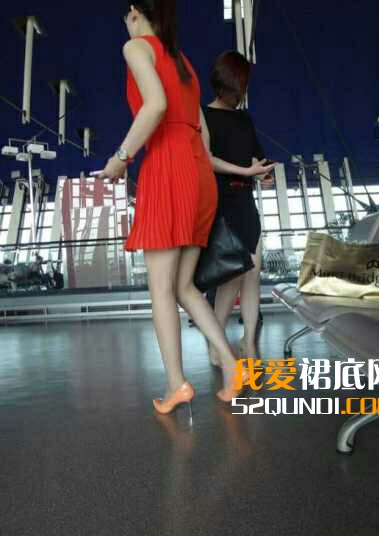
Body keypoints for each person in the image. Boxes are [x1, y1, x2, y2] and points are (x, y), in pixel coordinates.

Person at [99, 1, 253, 415]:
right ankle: (232, 366)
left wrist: (120, 158)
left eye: (126, 19)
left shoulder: (136, 48)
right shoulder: (181, 61)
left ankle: (176, 384)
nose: (126, 26)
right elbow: (202, 134)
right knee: (184, 287)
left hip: (167, 167)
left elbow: (155, 106)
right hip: (198, 173)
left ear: (134, 13)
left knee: (161, 289)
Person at [203, 51, 275, 367]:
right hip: (221, 202)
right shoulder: (204, 115)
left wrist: (264, 175)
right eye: (240, 86)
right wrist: (246, 171)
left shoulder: (245, 118)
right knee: (230, 277)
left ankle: (248, 342)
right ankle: (216, 344)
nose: (242, 93)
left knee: (253, 274)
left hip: (245, 201)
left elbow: (256, 158)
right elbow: (207, 160)